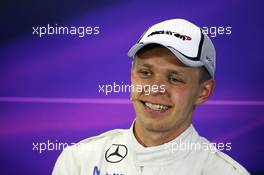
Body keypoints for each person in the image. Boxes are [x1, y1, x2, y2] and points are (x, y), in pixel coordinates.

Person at [52, 19, 250, 175]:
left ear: (203, 91)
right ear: (131, 75)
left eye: (174, 78)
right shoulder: (79, 161)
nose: (155, 89)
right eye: (146, 73)